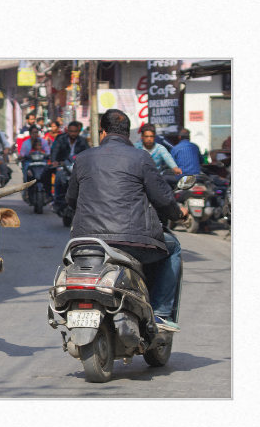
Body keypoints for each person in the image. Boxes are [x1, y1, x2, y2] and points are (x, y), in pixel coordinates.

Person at [66, 109, 189, 332]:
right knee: (173, 247)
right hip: (133, 243)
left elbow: (71, 199)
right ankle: (160, 314)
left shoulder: (82, 158)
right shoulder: (141, 157)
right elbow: (162, 199)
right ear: (129, 135)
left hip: (85, 244)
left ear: (102, 132)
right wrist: (179, 214)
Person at [41, 120, 90, 213]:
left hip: (77, 167)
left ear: (79, 131)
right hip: (63, 166)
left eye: (75, 131)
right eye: (71, 131)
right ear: (67, 131)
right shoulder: (61, 139)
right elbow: (55, 150)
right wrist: (54, 161)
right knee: (52, 175)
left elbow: (88, 153)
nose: (73, 133)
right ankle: (56, 200)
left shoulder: (82, 141)